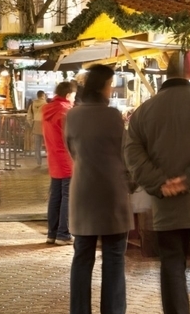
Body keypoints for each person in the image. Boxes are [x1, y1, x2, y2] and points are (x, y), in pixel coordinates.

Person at [125, 53, 190, 314]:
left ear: (164, 73)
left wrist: (161, 183)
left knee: (172, 267)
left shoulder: (143, 112)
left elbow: (132, 155)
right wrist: (189, 179)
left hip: (167, 207)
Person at [66, 65, 132, 314]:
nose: (112, 88)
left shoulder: (72, 115)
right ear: (103, 86)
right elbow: (124, 154)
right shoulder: (113, 116)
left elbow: (72, 151)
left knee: (82, 257)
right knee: (114, 258)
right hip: (111, 192)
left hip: (83, 192)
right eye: (110, 84)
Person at [43, 80, 76, 245]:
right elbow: (72, 138)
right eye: (73, 96)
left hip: (53, 159)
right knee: (67, 197)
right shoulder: (66, 112)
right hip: (67, 160)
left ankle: (52, 233)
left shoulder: (48, 110)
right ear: (69, 94)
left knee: (55, 196)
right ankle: (63, 234)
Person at [27, 90, 48, 166]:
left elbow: (29, 116)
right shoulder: (46, 105)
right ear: (43, 95)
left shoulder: (32, 104)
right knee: (48, 145)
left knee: (37, 145)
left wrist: (32, 124)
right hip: (45, 126)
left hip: (36, 124)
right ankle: (49, 161)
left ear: (37, 95)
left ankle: (39, 161)